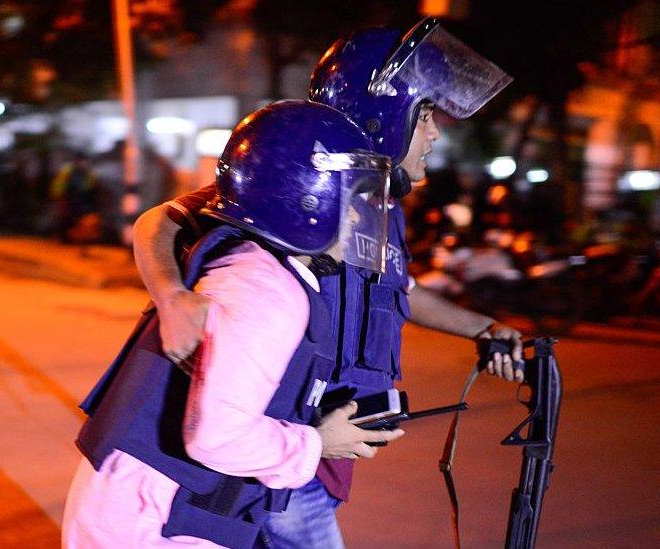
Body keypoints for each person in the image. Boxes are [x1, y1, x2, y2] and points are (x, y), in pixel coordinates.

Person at [132, 17, 523, 548]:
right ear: (386, 117)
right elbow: (158, 221)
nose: (434, 134)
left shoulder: (378, 203)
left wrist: (482, 327)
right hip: (273, 439)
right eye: (426, 117)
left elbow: (396, 289)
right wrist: (171, 296)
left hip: (317, 445)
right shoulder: (300, 181)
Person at [63, 100, 404, 548]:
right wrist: (317, 444)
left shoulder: (256, 264)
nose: (363, 217)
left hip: (146, 509)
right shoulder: (266, 294)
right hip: (152, 523)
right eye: (353, 200)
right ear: (308, 199)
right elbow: (217, 437)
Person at [50, 152, 100, 243]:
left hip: (81, 200)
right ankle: (64, 238)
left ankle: (76, 238)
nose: (84, 164)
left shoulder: (88, 173)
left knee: (79, 220)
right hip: (68, 199)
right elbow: (59, 186)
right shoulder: (68, 171)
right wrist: (60, 198)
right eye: (82, 161)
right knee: (66, 219)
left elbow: (91, 187)